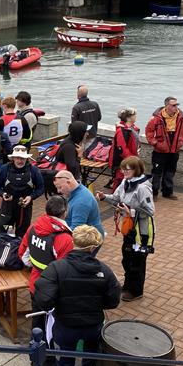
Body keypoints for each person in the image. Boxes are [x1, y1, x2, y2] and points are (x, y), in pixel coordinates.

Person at [33, 225, 121, 366]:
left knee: (65, 364)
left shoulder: (58, 268)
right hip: (92, 325)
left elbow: (43, 297)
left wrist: (57, 304)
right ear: (93, 247)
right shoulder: (103, 270)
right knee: (91, 353)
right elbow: (113, 300)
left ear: (74, 242)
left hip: (66, 326)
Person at [18, 195, 74, 366]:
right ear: (64, 212)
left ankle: (35, 360)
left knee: (37, 326)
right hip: (54, 291)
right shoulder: (64, 239)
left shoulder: (33, 228)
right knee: (50, 330)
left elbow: (23, 256)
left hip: (35, 285)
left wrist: (38, 268)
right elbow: (66, 271)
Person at [96, 156, 155, 301]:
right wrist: (105, 197)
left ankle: (136, 291)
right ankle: (128, 285)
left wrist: (131, 212)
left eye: (127, 169)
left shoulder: (143, 188)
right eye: (122, 169)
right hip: (129, 229)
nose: (123, 172)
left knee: (137, 261)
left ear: (136, 170)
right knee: (127, 258)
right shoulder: (125, 182)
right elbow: (116, 198)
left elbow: (150, 211)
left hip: (141, 232)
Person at [0, 145, 45, 236]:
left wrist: (31, 197)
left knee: (22, 234)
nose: (20, 161)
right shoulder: (4, 169)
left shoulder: (34, 170)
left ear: (27, 158)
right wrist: (3, 194)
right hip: (8, 207)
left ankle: (19, 249)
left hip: (24, 208)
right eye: (17, 158)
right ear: (13, 158)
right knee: (6, 233)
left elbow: (41, 188)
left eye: (22, 158)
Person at [145, 96, 183, 200]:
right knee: (156, 172)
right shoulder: (156, 118)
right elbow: (149, 131)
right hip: (160, 151)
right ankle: (154, 193)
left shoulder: (182, 117)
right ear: (167, 106)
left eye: (177, 105)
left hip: (174, 150)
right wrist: (155, 143)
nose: (176, 107)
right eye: (173, 105)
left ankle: (168, 192)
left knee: (170, 171)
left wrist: (182, 142)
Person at [52, 171, 105, 238]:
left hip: (89, 239)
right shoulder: (75, 191)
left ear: (69, 183)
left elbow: (76, 230)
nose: (58, 191)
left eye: (60, 187)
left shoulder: (81, 202)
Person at [109, 108, 140, 191]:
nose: (136, 116)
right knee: (120, 180)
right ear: (129, 117)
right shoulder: (121, 131)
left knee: (128, 180)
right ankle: (116, 199)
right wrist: (131, 160)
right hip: (123, 161)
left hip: (130, 159)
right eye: (134, 115)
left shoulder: (132, 129)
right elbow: (122, 148)